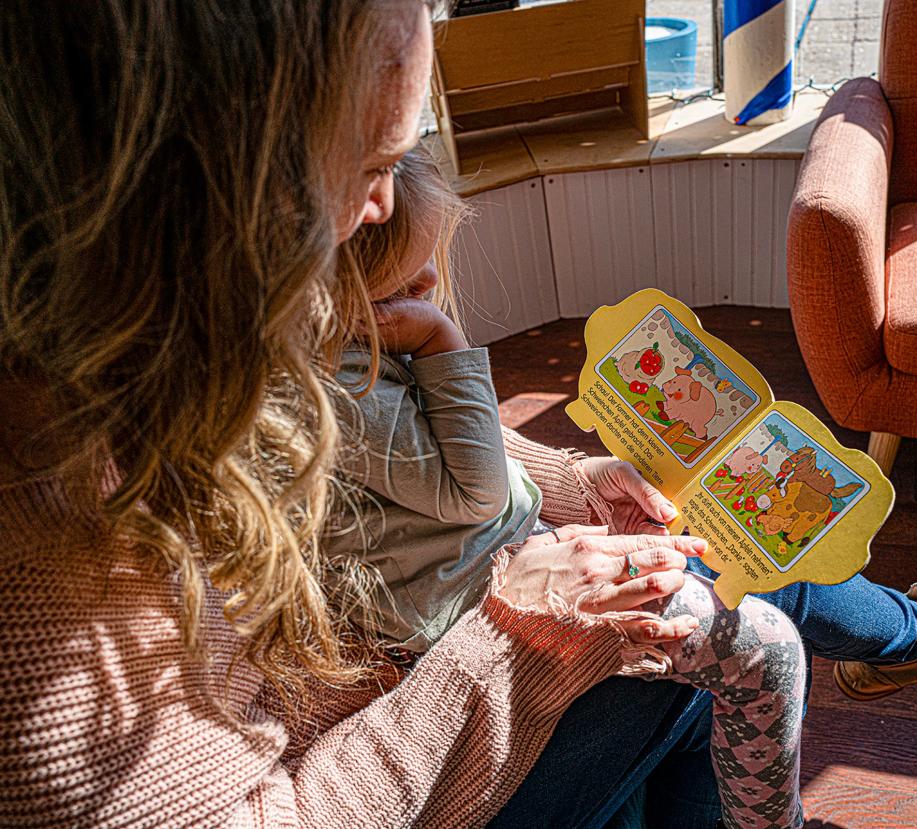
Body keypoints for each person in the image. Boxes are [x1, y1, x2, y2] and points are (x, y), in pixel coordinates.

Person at [0, 2, 705, 827]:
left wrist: (566, 481)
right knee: (687, 677)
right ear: (209, 186)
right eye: (373, 162)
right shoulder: (44, 597)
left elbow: (373, 436)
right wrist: (507, 639)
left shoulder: (175, 328)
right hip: (366, 722)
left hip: (365, 680)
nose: (381, 207)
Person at [328, 149, 808, 829]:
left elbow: (462, 461)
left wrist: (577, 478)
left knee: (740, 554)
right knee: (770, 643)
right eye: (404, 280)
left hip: (492, 577)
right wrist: (441, 341)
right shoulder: (343, 393)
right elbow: (479, 494)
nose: (432, 281)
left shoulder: (348, 362)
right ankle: (903, 650)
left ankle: (909, 636)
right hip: (463, 629)